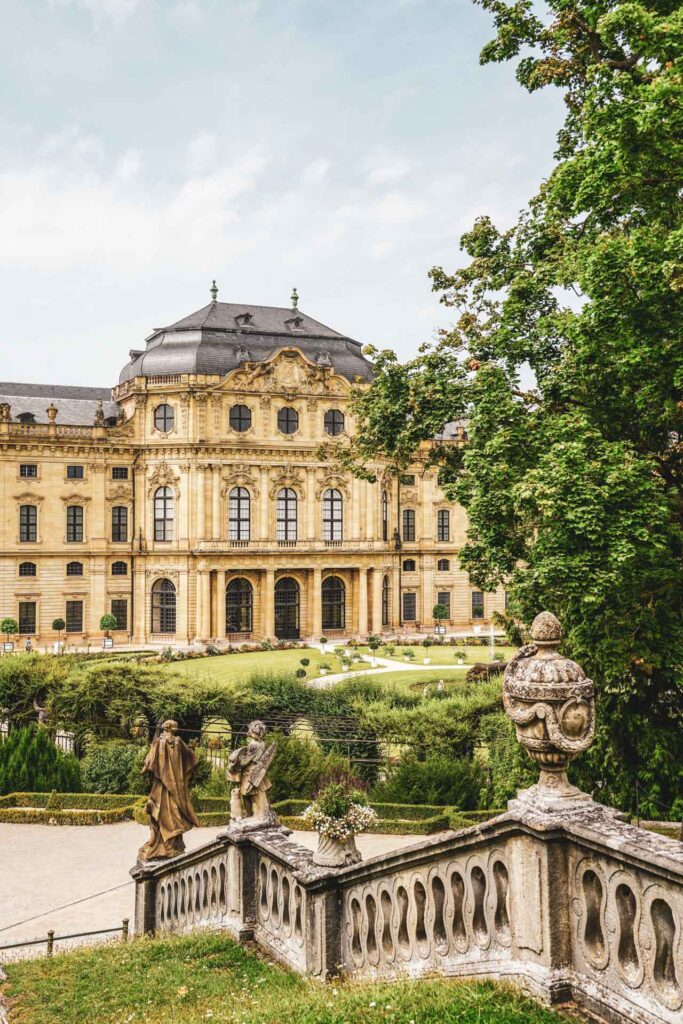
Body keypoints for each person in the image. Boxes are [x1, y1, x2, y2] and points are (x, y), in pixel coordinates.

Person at [137, 720, 200, 862]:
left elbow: (150, 761)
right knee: (169, 813)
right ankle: (167, 845)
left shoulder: (162, 742)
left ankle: (167, 845)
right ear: (172, 728)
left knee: (164, 813)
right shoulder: (175, 742)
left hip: (163, 786)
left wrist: (146, 767)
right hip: (173, 786)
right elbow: (191, 758)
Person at [228, 720, 275, 824]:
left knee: (247, 794)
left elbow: (245, 761)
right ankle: (256, 814)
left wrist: (234, 758)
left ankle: (255, 814)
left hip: (250, 772)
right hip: (257, 770)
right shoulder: (262, 743)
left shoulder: (253, 745)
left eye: (255, 732)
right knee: (257, 794)